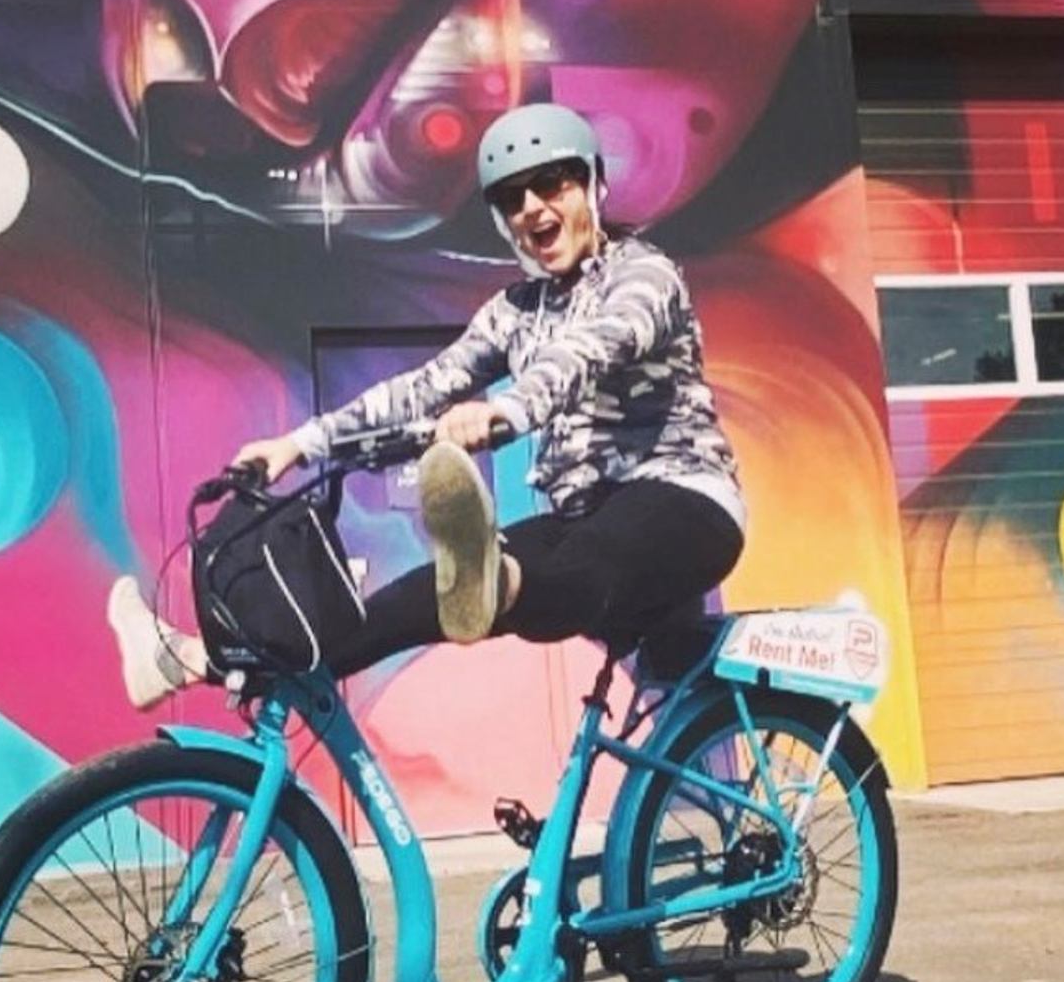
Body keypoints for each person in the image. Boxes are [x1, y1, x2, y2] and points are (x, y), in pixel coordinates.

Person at [109, 103, 746, 704]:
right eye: (511, 197)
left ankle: (496, 581)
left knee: (580, 561)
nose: (532, 206)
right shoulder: (514, 313)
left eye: (552, 183)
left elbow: (588, 351)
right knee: (398, 608)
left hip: (684, 501)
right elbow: (424, 386)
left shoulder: (643, 274)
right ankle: (188, 658)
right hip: (583, 517)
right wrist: (299, 444)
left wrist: (507, 411)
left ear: (593, 186)